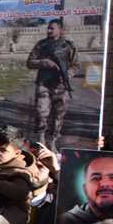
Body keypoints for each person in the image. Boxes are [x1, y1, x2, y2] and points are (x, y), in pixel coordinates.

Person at [27, 18, 78, 152]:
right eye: (48, 28)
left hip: (61, 86)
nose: (49, 30)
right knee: (41, 112)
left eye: (52, 28)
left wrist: (68, 74)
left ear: (60, 30)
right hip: (43, 84)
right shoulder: (41, 45)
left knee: (58, 116)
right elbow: (30, 62)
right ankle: (42, 140)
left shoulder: (68, 46)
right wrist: (44, 62)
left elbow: (75, 65)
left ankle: (53, 141)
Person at [54, 155, 113, 224]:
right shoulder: (64, 223)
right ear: (85, 189)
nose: (104, 183)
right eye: (96, 178)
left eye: (112, 178)